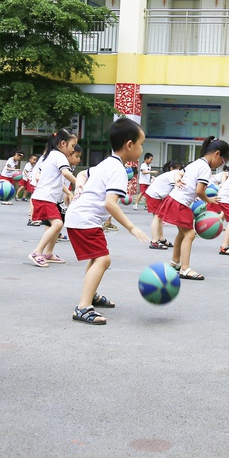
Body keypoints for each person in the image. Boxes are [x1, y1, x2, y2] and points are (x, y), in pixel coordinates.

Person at [63, 117, 149, 325]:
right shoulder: (118, 170)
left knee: (96, 258)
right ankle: (83, 307)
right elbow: (111, 204)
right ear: (130, 145)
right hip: (85, 219)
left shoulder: (108, 163)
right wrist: (131, 227)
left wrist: (80, 185)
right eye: (141, 145)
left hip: (80, 217)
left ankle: (90, 296)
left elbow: (83, 173)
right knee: (103, 259)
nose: (141, 149)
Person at [156, 136, 229, 281]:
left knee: (182, 234)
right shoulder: (205, 169)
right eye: (222, 162)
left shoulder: (196, 163)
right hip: (180, 203)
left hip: (174, 200)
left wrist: (177, 178)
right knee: (190, 235)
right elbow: (199, 191)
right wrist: (208, 200)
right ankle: (185, 269)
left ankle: (174, 263)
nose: (220, 165)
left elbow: (180, 172)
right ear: (217, 153)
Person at [27, 128, 78, 268]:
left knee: (54, 223)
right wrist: (79, 183)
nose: (73, 150)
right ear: (63, 143)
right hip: (45, 197)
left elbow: (58, 181)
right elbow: (66, 173)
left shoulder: (50, 155)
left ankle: (48, 253)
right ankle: (37, 252)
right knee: (57, 224)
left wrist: (69, 192)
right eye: (72, 146)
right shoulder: (59, 156)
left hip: (47, 197)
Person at [145, 161, 182, 250]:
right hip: (154, 195)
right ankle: (154, 241)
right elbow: (176, 190)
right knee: (157, 217)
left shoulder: (176, 174)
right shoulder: (175, 174)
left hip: (157, 195)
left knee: (159, 217)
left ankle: (161, 239)